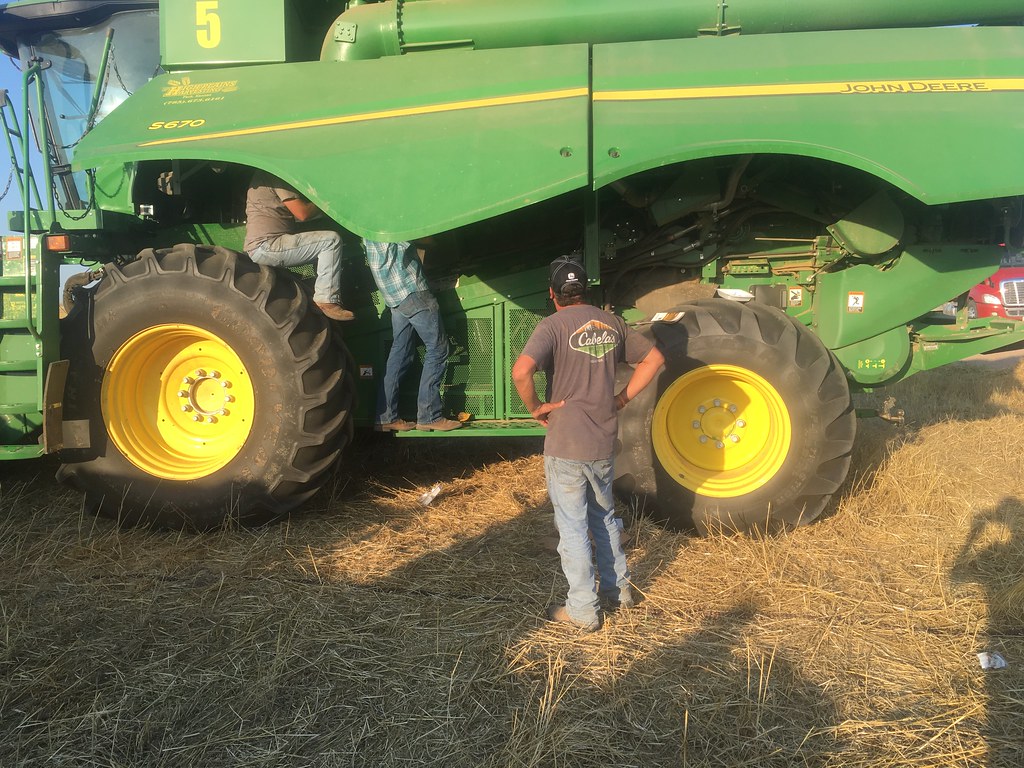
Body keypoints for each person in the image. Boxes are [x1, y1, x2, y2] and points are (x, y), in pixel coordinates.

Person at [512, 255, 665, 631]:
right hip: (601, 441)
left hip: (566, 444)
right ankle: (619, 593)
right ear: (585, 290)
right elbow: (655, 359)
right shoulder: (611, 322)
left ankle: (581, 610)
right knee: (605, 518)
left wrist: (536, 408)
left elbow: (521, 372)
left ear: (553, 293)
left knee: (573, 527)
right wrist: (621, 399)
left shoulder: (551, 326)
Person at [364, 239, 461, 432]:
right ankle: (429, 415)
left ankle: (385, 417)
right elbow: (421, 238)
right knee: (439, 349)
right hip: (411, 290)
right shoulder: (390, 216)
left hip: (393, 296)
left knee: (400, 353)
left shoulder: (368, 223)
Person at [244, 170, 354, 322]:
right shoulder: (275, 173)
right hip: (267, 245)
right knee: (331, 241)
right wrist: (329, 203)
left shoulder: (263, 175)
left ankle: (314, 295)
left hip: (265, 245)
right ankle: (326, 299)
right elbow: (302, 213)